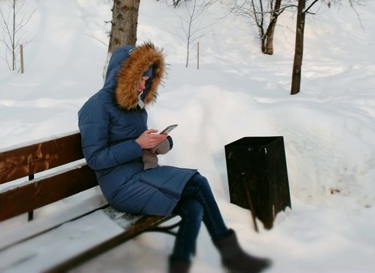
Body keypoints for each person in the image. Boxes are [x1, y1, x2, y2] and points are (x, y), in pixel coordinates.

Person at [78, 42, 270, 273]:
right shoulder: (95, 107)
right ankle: (231, 254)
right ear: (122, 75)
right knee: (198, 182)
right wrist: (136, 144)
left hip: (143, 175)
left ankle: (180, 265)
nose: (142, 86)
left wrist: (161, 142)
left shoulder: (134, 105)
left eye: (147, 81)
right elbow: (95, 158)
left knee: (193, 208)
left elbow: (141, 146)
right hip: (120, 187)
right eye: (139, 79)